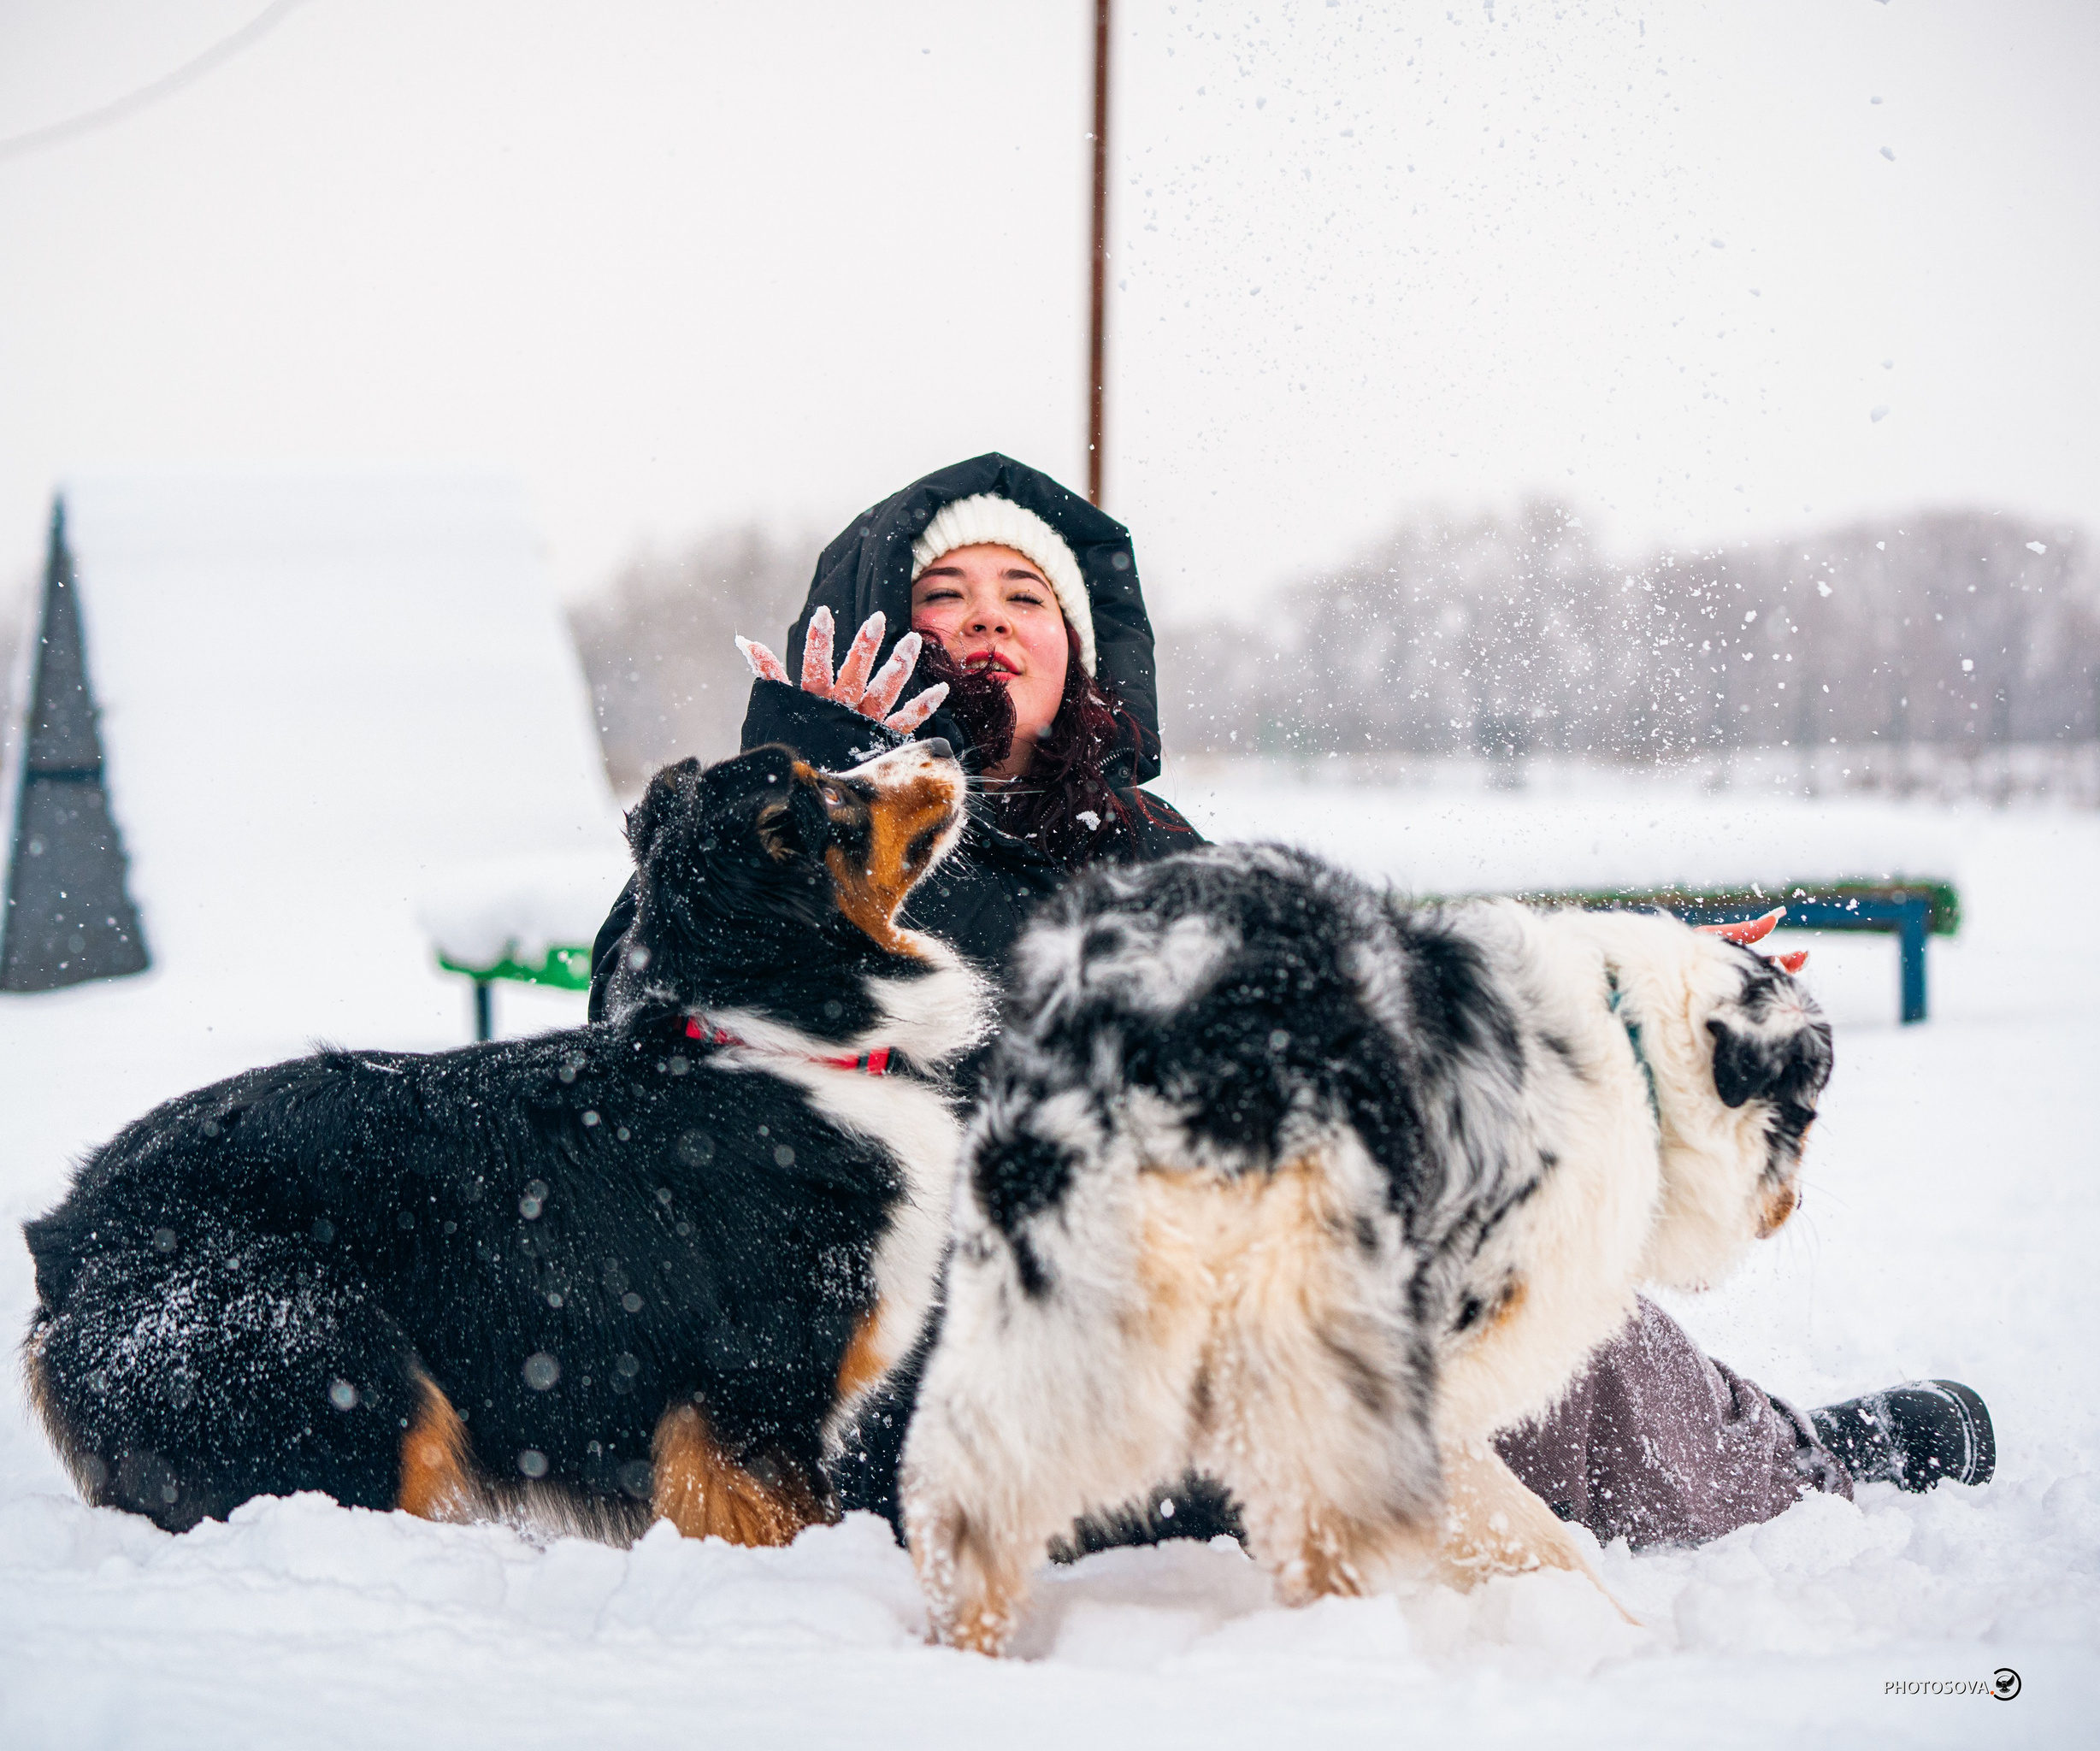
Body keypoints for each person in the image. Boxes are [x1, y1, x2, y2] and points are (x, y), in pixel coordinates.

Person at [587, 451, 1994, 1552]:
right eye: (945, 600)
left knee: (1490, 1223)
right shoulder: (761, 833)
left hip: (1172, 1330)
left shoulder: (1142, 844)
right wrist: (805, 796)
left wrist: (1627, 979)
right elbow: (639, 1049)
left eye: (1026, 603)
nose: (987, 630)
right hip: (927, 1378)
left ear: (1079, 658)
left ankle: (1775, 1460)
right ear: (879, 632)